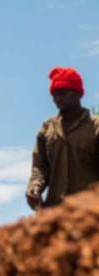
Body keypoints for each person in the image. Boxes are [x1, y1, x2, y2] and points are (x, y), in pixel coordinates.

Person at [27, 67, 99, 209]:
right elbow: (40, 168)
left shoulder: (96, 126)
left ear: (78, 94)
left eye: (63, 93)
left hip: (91, 210)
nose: (57, 99)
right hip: (55, 210)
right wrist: (35, 187)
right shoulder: (47, 129)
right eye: (54, 95)